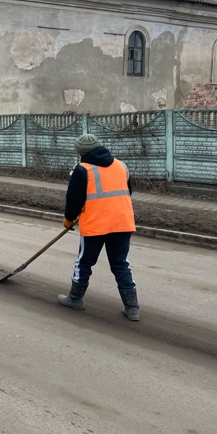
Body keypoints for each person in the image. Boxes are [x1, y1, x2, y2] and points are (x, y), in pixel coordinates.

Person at [57, 134, 140, 321]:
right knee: (120, 264)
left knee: (84, 263)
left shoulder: (82, 169)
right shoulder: (121, 165)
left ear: (80, 153)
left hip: (96, 225)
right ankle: (132, 307)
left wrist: (68, 220)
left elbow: (74, 200)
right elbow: (128, 192)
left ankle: (75, 298)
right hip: (122, 222)